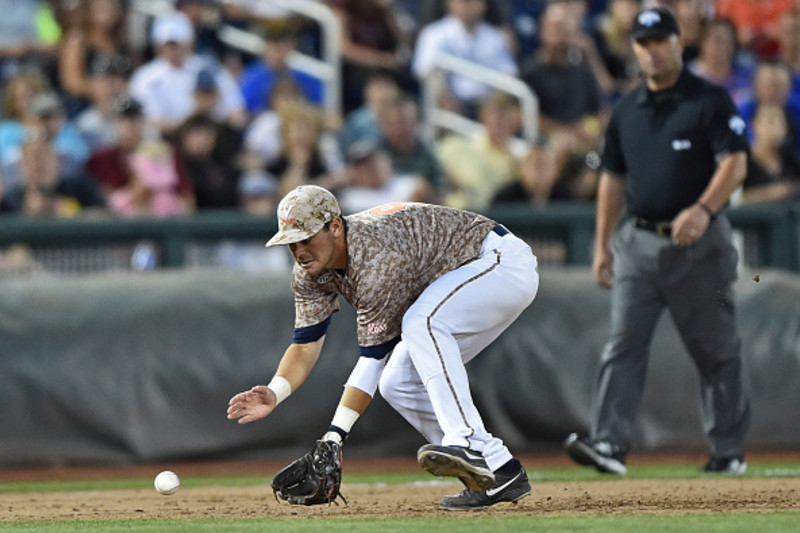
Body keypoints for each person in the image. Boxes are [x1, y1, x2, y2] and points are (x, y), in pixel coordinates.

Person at [227, 184, 539, 510]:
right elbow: (306, 343)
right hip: (464, 278)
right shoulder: (309, 272)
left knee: (422, 323)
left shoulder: (375, 260)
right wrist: (276, 391)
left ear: (335, 226)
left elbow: (373, 358)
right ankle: (498, 470)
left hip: (497, 262)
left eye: (305, 238)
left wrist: (334, 436)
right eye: (291, 243)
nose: (299, 250)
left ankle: (468, 443)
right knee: (399, 384)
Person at [564, 6, 751, 476]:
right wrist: (601, 243)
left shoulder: (709, 100)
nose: (652, 50)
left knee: (716, 350)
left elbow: (736, 163)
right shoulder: (627, 109)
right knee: (623, 344)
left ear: (677, 42)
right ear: (634, 49)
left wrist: (705, 209)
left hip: (701, 246)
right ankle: (608, 443)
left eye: (660, 40)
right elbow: (612, 179)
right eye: (643, 43)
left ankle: (727, 451)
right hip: (638, 242)